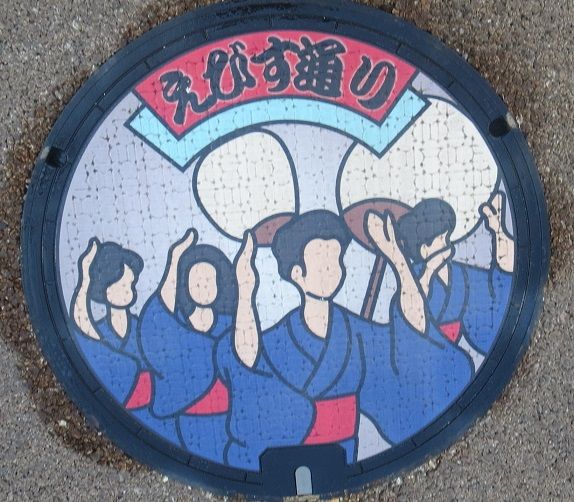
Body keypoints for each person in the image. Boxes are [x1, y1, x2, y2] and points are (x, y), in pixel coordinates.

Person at [217, 209, 454, 469]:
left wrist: (397, 259)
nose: (332, 270)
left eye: (336, 259)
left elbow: (412, 331)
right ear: (297, 273)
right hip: (288, 448)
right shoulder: (280, 338)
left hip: (344, 449)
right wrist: (245, 292)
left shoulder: (355, 332)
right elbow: (246, 362)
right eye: (322, 262)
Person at [138, 229, 237, 463]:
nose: (204, 287)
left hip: (226, 415)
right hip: (185, 415)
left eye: (209, 281)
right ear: (185, 284)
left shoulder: (229, 326)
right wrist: (174, 261)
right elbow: (156, 321)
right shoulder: (177, 323)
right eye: (197, 281)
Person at [71, 239, 179, 444]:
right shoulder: (98, 330)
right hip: (131, 409)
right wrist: (84, 281)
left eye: (131, 284)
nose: (130, 290)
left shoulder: (143, 327)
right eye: (123, 285)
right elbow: (84, 330)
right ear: (104, 288)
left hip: (157, 416)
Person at [397, 193, 514, 356]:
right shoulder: (411, 278)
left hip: (453, 351)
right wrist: (429, 271)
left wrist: (498, 232)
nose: (447, 244)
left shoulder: (461, 274)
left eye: (447, 237)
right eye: (442, 239)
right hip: (430, 350)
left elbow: (497, 292)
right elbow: (410, 318)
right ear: (424, 249)